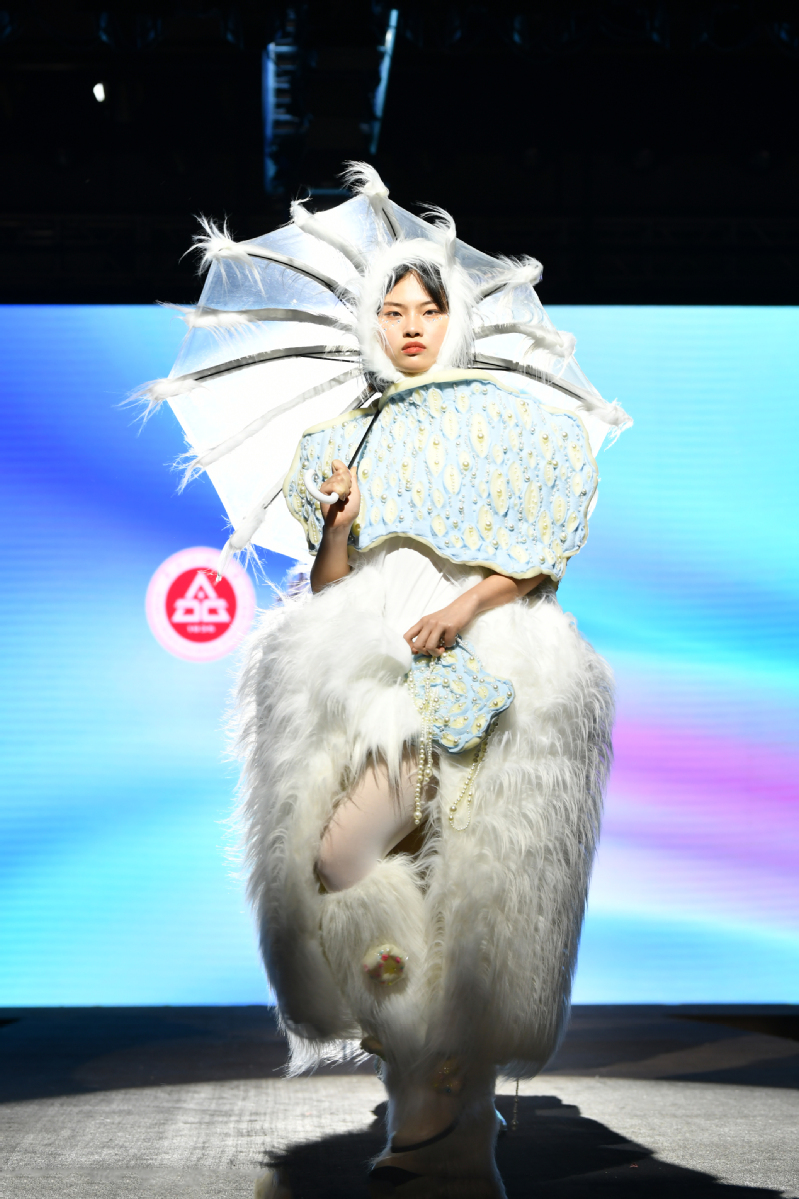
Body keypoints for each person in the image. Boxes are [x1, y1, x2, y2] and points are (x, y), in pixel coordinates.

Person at [236, 202, 617, 1199]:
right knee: (348, 865)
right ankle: (431, 1098)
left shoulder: (514, 424)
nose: (410, 325)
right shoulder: (345, 438)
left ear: (456, 320)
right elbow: (329, 591)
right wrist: (338, 523)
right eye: (394, 309)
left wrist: (462, 607)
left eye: (428, 309)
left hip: (486, 671)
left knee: (468, 897)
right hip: (378, 682)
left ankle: (448, 1129)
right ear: (372, 320)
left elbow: (537, 556)